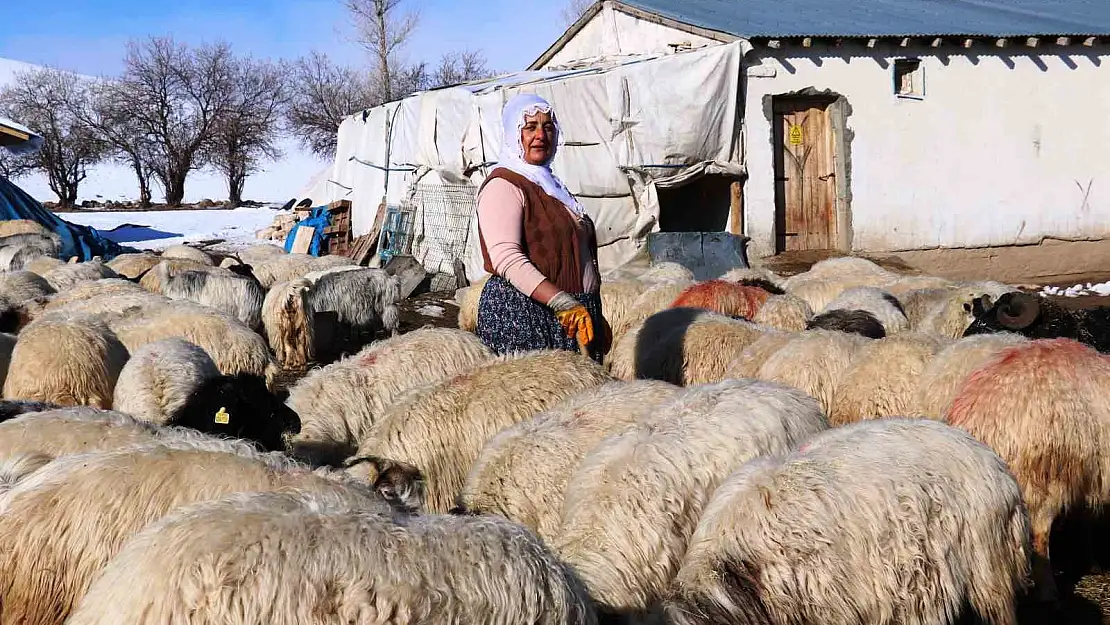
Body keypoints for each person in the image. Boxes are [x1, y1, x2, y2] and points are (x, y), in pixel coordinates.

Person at [473, 93, 609, 363]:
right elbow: (506, 258)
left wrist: (593, 311)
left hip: (569, 313)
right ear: (514, 135)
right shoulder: (504, 185)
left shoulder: (550, 185)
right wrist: (560, 300)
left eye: (548, 127)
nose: (541, 135)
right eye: (530, 127)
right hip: (526, 314)